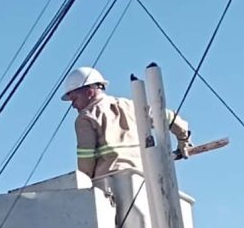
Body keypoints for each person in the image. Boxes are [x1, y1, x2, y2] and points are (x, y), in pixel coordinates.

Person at [61, 66, 193, 180]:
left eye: (74, 99)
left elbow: (86, 165)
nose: (73, 105)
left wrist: (84, 188)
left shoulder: (86, 118)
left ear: (89, 92)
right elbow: (166, 117)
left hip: (111, 183)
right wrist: (183, 141)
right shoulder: (131, 106)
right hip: (145, 177)